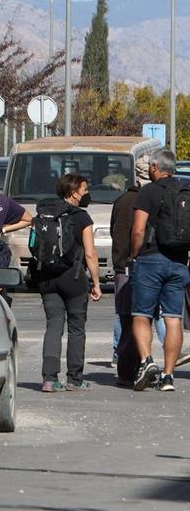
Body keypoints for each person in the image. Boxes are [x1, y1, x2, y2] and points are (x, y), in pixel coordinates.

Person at [128, 149, 189, 391]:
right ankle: (168, 376)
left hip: (151, 259)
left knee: (141, 314)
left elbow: (138, 230)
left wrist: (134, 254)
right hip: (179, 261)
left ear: (155, 167)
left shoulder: (148, 192)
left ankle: (146, 361)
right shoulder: (186, 191)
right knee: (173, 317)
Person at [34, 174, 100, 392]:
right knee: (76, 327)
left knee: (53, 326)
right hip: (73, 278)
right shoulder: (82, 217)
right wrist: (96, 282)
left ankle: (49, 378)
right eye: (85, 190)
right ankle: (75, 378)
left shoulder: (44, 212)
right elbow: (90, 254)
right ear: (74, 193)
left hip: (47, 277)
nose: (87, 194)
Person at [109, 155, 161, 366]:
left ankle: (120, 354)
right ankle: (157, 359)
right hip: (150, 261)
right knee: (156, 314)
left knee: (124, 312)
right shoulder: (156, 198)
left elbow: (115, 230)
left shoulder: (122, 200)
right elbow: (140, 232)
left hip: (123, 263)